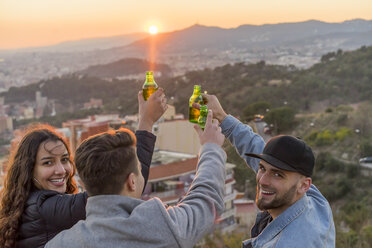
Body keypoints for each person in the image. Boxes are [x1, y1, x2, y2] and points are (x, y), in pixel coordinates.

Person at [0, 89, 167, 248]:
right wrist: (146, 122)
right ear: (29, 169)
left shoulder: (27, 202)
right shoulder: (45, 207)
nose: (61, 170)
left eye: (65, 159)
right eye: (48, 163)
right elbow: (125, 189)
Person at [46, 110, 226, 248]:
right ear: (132, 181)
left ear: (83, 183)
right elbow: (206, 200)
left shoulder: (60, 244)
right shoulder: (159, 227)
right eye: (140, 170)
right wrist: (211, 147)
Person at [194, 94, 335, 247]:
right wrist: (222, 117)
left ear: (304, 185)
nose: (262, 180)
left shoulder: (286, 244)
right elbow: (255, 147)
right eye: (262, 168)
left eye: (277, 175)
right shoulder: (315, 201)